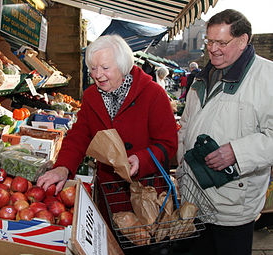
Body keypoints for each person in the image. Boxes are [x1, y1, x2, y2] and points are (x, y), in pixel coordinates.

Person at [37, 34, 178, 226]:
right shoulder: (91, 96)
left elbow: (168, 144)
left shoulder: (153, 94)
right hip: (110, 195)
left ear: (122, 66)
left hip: (147, 197)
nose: (97, 74)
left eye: (105, 68)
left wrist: (141, 158)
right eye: (93, 68)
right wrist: (63, 166)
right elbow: (79, 136)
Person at [176, 9, 273, 255]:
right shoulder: (202, 77)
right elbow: (187, 124)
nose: (213, 49)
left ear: (243, 41)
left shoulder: (267, 77)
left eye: (222, 42)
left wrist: (237, 152)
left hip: (233, 206)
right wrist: (180, 164)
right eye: (209, 41)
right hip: (194, 200)